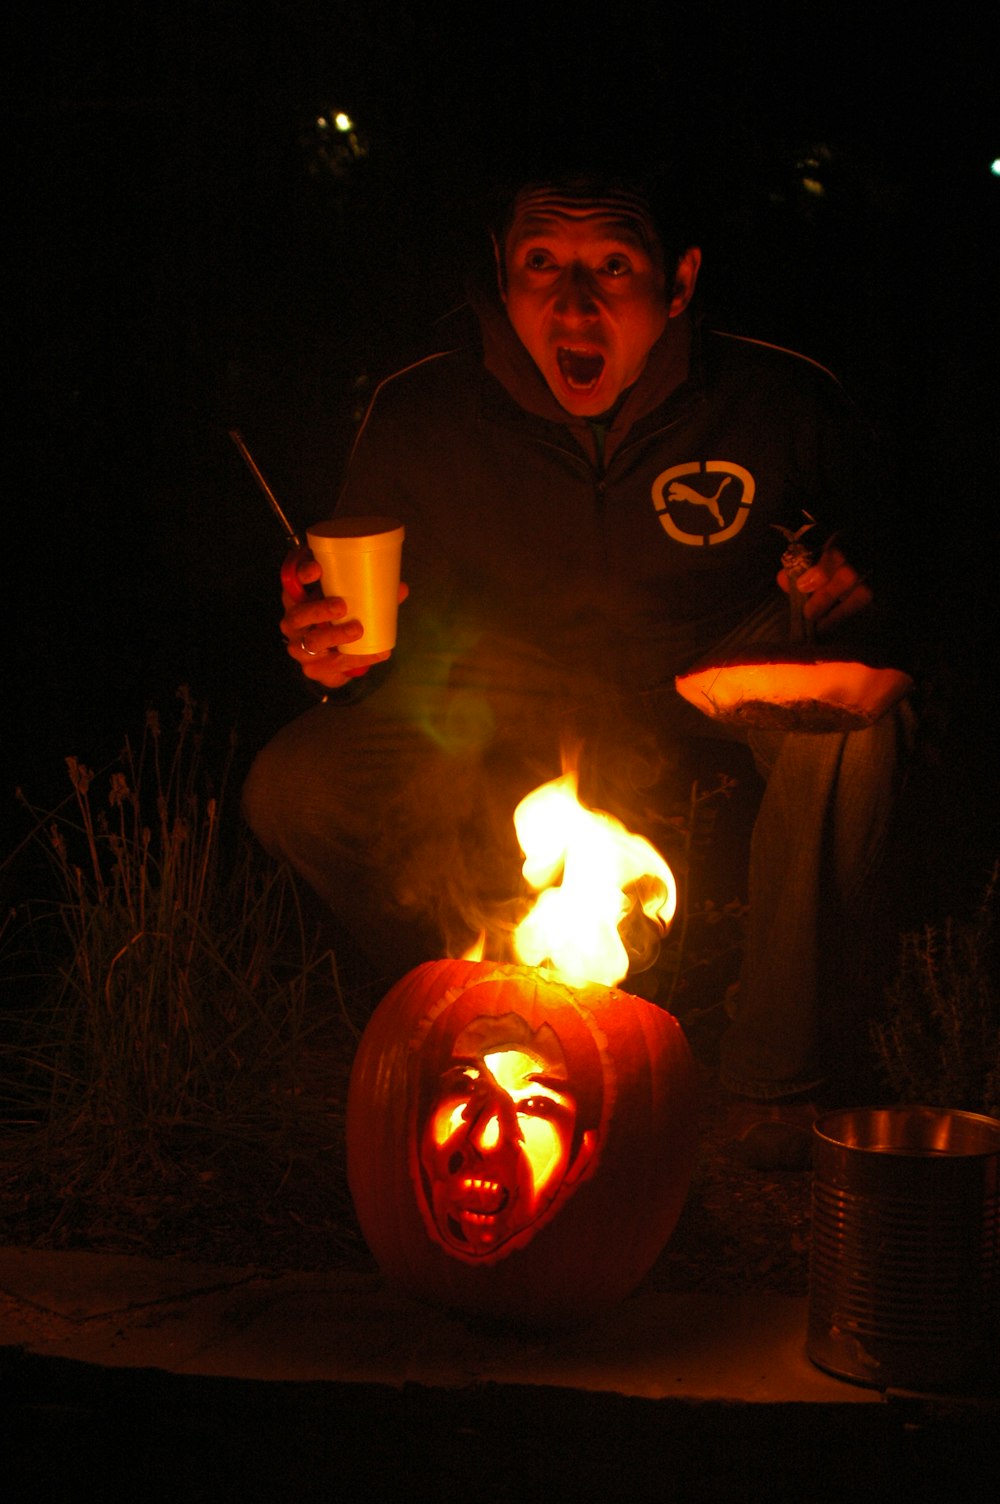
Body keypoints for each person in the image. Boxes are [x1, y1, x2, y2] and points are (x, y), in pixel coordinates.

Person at [243, 161, 914, 1113]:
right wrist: (331, 654)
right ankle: (489, 1004)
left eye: (611, 267)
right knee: (298, 786)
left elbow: (895, 564)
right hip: (504, 678)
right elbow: (354, 627)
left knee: (856, 722)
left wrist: (858, 584)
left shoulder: (777, 397)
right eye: (542, 264)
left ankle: (778, 1073)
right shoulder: (424, 409)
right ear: (503, 272)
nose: (572, 304)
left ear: (677, 282)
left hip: (711, 659)